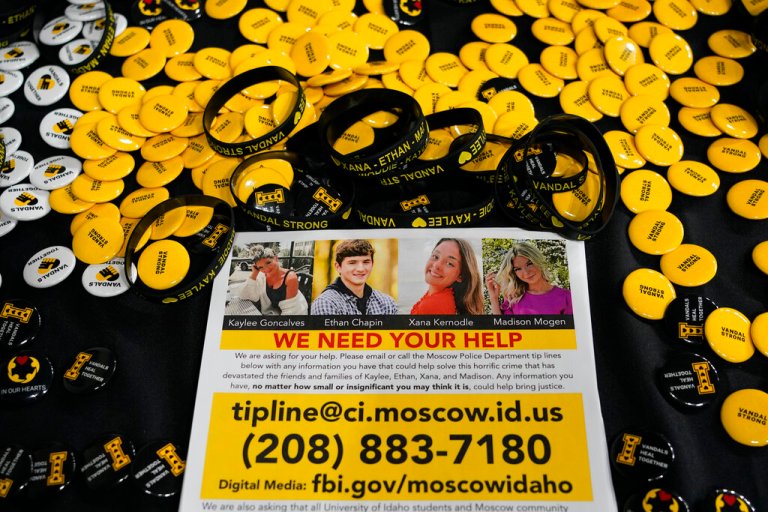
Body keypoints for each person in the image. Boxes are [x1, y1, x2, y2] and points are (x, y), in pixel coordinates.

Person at [311, 239, 397, 315]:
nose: (361, 269)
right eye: (352, 263)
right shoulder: (326, 303)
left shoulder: (387, 303)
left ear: (372, 264)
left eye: (366, 262)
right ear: (338, 267)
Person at [485, 242, 572, 315]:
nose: (526, 272)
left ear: (538, 261)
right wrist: (494, 298)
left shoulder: (566, 297)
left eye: (529, 264)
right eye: (518, 269)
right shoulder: (513, 298)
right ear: (514, 273)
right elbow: (502, 328)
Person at [410, 238, 484, 315]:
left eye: (449, 263)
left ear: (461, 276)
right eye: (435, 256)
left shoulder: (433, 305)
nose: (436, 265)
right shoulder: (442, 298)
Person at [237, 245, 308, 315]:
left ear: (276, 258)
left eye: (268, 263)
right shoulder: (262, 276)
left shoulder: (290, 277)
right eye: (261, 267)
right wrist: (254, 274)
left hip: (296, 313)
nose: (266, 269)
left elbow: (291, 311)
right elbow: (243, 295)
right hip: (276, 312)